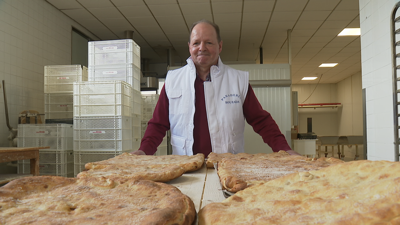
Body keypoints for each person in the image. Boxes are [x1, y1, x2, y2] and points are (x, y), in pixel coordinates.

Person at [132, 19, 300, 157]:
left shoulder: (237, 80)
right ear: (189, 47)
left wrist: (284, 149)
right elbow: (158, 124)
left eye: (209, 43)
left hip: (228, 168)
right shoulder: (174, 80)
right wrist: (144, 150)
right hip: (185, 168)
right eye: (196, 43)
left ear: (219, 47)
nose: (202, 48)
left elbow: (261, 121)